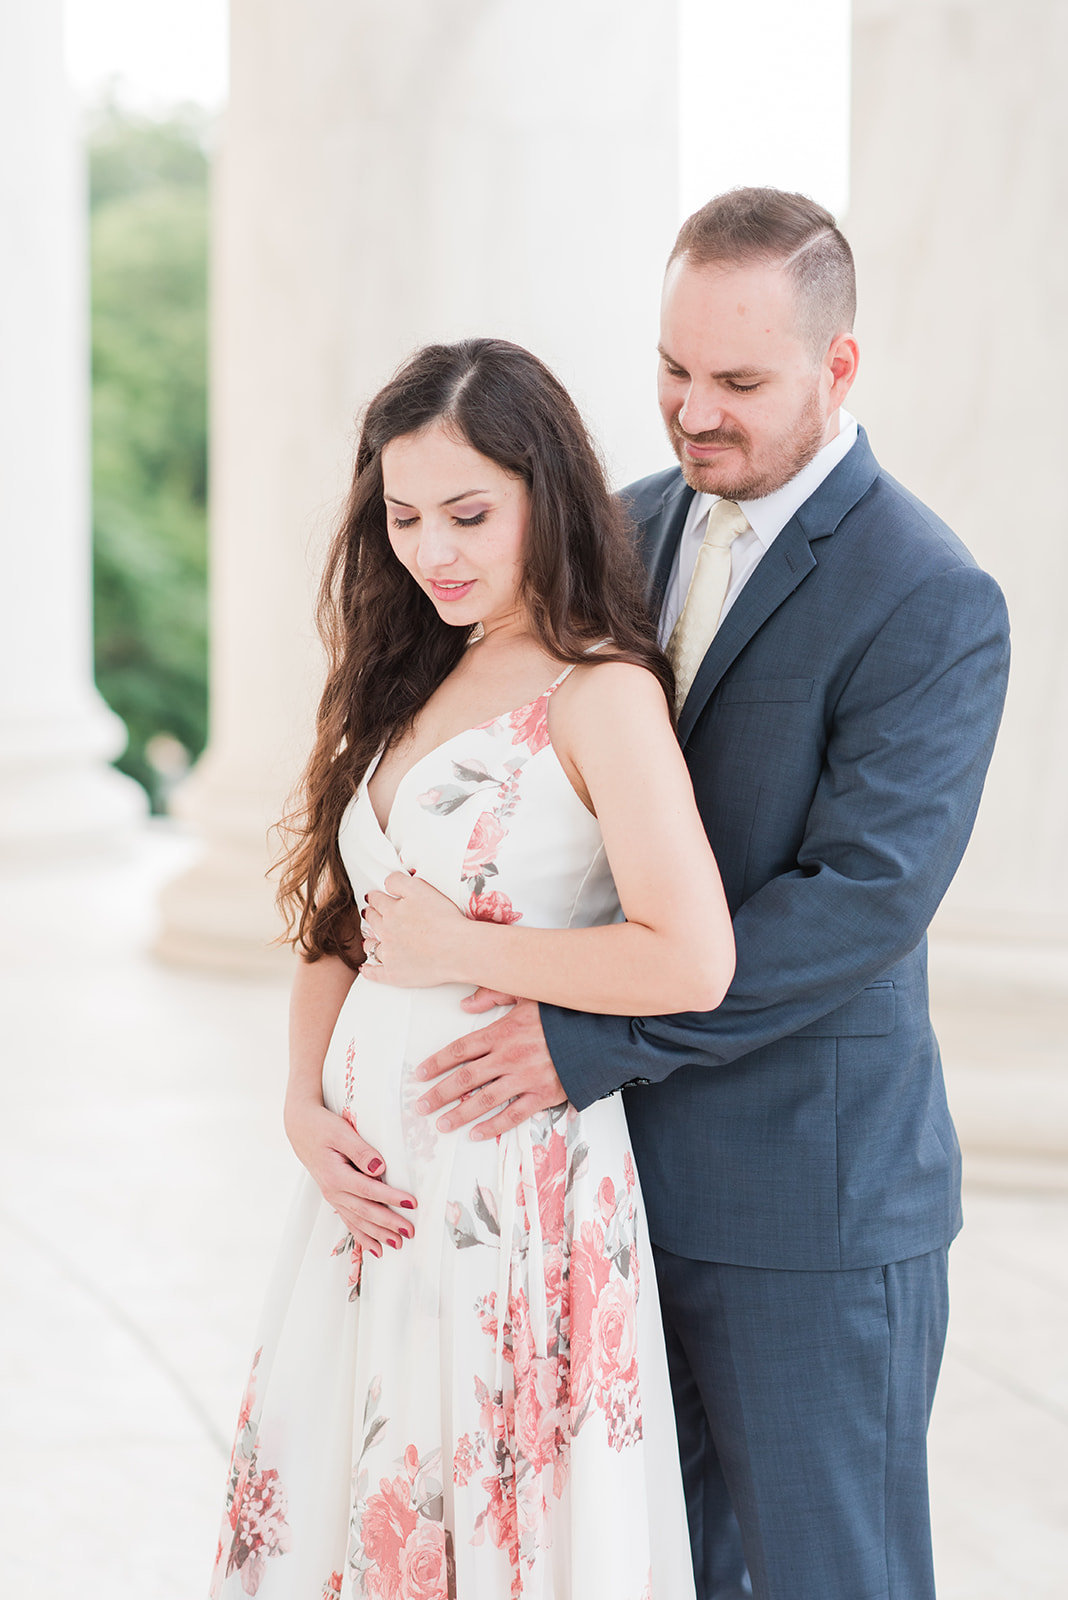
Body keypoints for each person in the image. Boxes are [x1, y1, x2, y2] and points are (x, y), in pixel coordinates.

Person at [361, 191, 1012, 1599]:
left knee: (831, 1573)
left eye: (738, 382)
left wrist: (581, 1035)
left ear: (839, 368)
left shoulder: (931, 595)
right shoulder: (616, 531)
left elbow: (859, 907)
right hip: (600, 1193)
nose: (690, 410)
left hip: (809, 1210)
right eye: (670, 370)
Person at [208, 337, 736, 1599]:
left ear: (545, 498)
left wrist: (466, 948)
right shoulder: (406, 674)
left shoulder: (598, 692)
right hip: (368, 1186)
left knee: (499, 1519)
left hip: (514, 1178)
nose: (432, 550)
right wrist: (300, 1099)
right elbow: (340, 921)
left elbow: (694, 956)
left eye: (467, 514)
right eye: (402, 516)